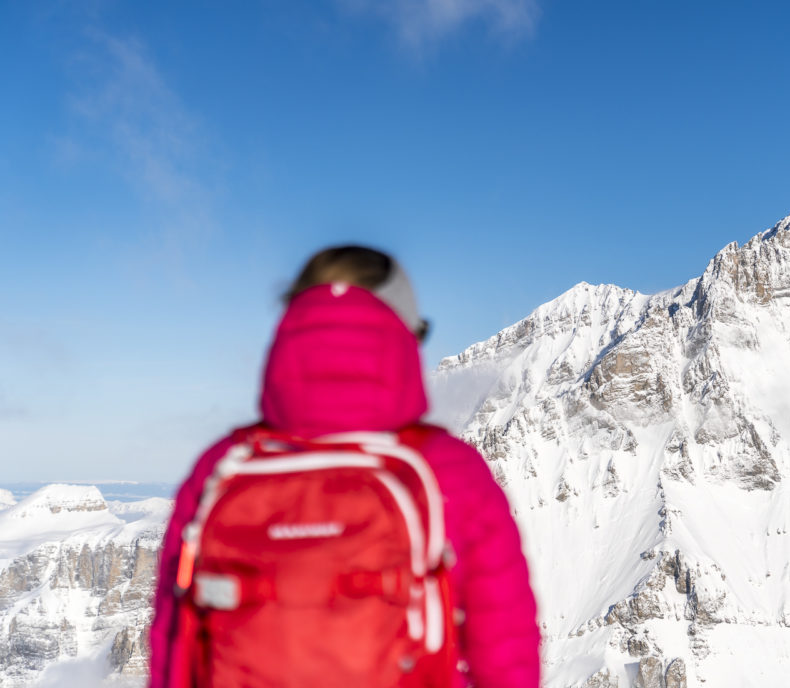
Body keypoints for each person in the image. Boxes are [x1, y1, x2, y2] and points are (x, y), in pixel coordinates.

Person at [149, 245, 540, 688]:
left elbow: (174, 641)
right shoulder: (448, 469)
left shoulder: (220, 467)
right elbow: (505, 656)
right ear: (404, 333)